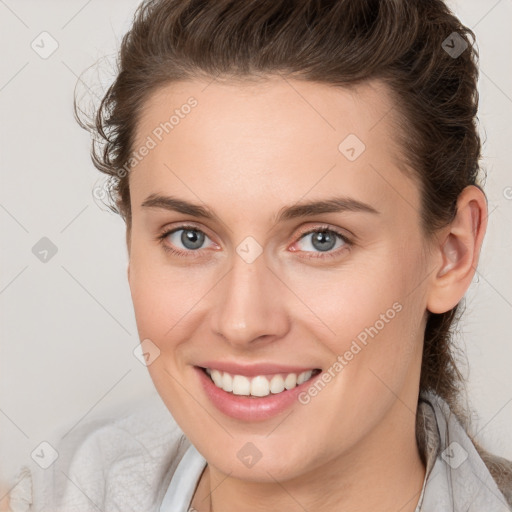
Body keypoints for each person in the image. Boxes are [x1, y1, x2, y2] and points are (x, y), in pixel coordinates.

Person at [6, 0, 512, 510]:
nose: (243, 322)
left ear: (451, 253)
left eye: (321, 239)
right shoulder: (60, 491)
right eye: (190, 237)